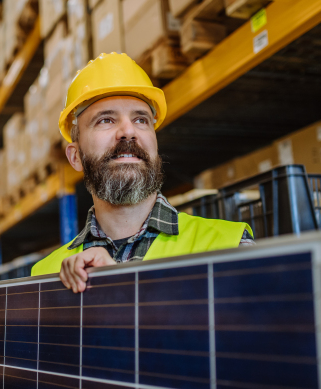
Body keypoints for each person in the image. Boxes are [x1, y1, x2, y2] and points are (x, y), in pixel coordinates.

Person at [31, 52, 254, 292]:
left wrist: (121, 285)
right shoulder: (45, 277)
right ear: (75, 157)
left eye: (141, 120)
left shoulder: (229, 247)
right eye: (106, 120)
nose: (128, 131)